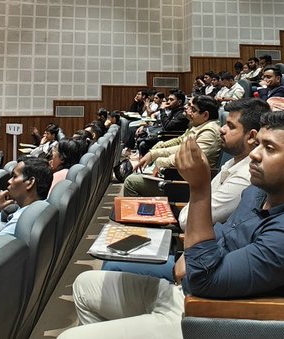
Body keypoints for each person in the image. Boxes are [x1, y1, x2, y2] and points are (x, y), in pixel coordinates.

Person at [61, 113, 284, 339]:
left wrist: (199, 189)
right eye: (259, 144)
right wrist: (190, 254)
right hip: (184, 293)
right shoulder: (258, 192)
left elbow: (201, 278)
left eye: (270, 148)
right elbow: (222, 234)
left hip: (207, 317)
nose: (254, 153)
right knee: (85, 285)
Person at [101, 100, 270, 281]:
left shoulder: (245, 177)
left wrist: (190, 197)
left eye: (230, 126)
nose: (222, 129)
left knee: (113, 262)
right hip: (192, 244)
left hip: (193, 255)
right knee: (118, 239)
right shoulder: (234, 161)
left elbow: (186, 220)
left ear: (251, 136)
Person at [125, 95, 223, 197]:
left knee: (131, 182)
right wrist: (155, 151)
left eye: (193, 109)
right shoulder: (199, 125)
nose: (188, 110)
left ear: (205, 115)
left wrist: (160, 161)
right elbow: (179, 142)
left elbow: (189, 157)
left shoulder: (209, 132)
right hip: (178, 175)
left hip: (187, 184)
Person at [0, 157, 51, 255]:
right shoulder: (42, 206)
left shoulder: (20, 222)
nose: (9, 181)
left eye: (14, 176)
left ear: (30, 183)